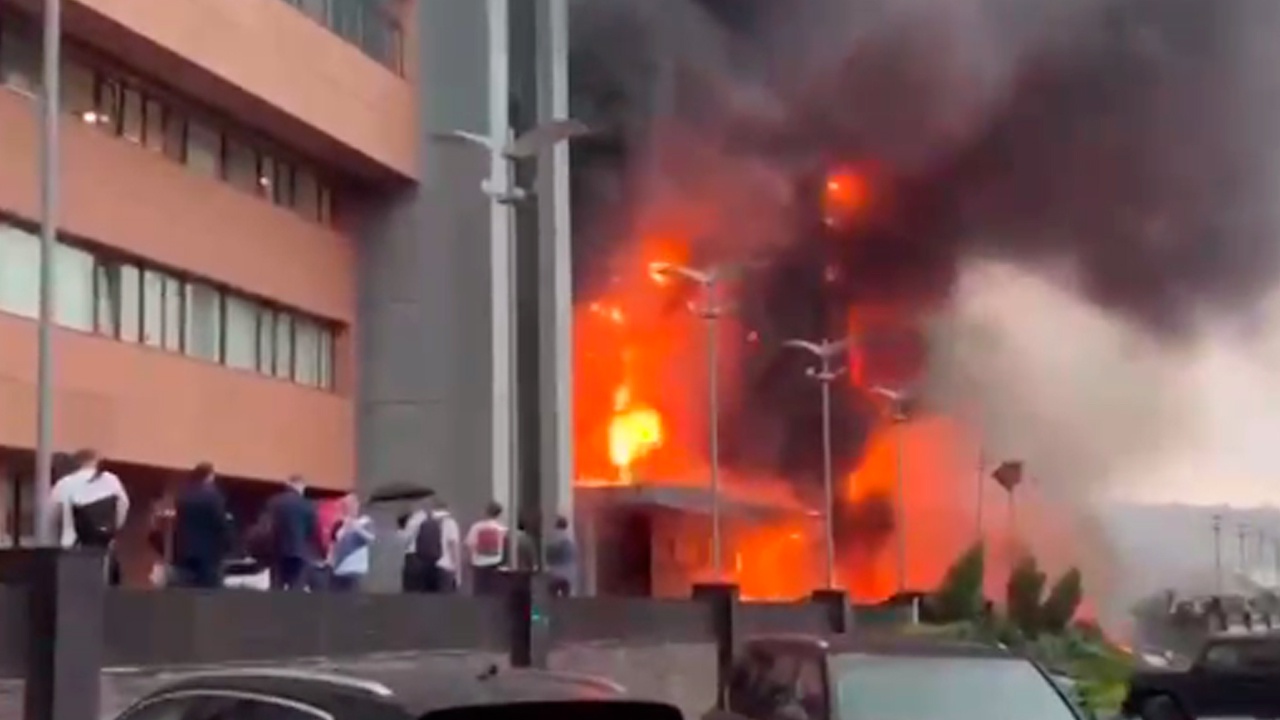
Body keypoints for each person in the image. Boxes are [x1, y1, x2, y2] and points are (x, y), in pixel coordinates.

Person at [48, 448, 130, 584]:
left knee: (73, 591)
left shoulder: (64, 484)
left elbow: (51, 516)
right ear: (95, 461)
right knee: (102, 592)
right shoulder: (111, 480)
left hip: (72, 548)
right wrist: (112, 528)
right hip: (103, 548)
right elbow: (123, 506)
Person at [170, 463, 232, 589]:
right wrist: (228, 543)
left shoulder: (183, 494)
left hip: (184, 551)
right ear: (209, 476)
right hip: (209, 554)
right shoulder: (213, 495)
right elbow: (220, 522)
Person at [264, 475, 320, 590]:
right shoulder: (308, 505)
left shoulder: (274, 502)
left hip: (277, 551)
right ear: (300, 486)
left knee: (276, 587)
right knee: (295, 587)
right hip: (299, 552)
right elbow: (312, 531)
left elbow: (266, 525)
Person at [327, 493, 374, 592]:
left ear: (357, 505)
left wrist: (357, 528)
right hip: (338, 570)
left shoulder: (365, 521)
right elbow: (333, 544)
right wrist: (329, 563)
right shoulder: (338, 524)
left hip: (355, 569)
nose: (349, 508)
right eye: (346, 505)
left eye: (352, 504)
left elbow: (371, 538)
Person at [464, 501, 506, 594]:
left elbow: (470, 544)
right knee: (495, 593)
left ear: (486, 512)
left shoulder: (476, 527)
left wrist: (471, 560)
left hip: (479, 563)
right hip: (496, 562)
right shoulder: (502, 529)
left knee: (480, 594)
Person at [544, 515, 577, 597]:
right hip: (567, 574)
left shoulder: (552, 537)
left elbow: (548, 555)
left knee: (552, 597)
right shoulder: (569, 538)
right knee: (566, 597)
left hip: (554, 573)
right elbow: (573, 556)